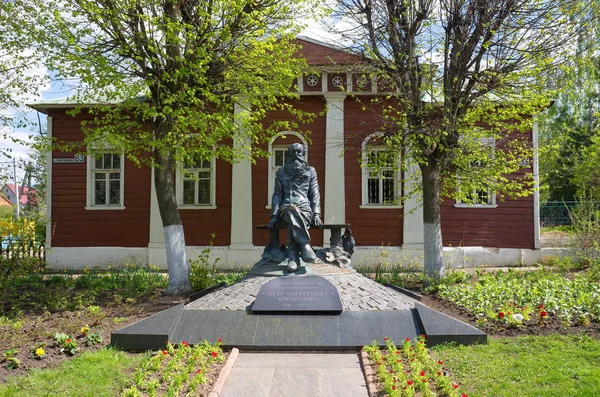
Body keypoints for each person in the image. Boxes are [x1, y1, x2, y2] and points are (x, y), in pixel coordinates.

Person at [268, 143, 322, 272]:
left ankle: (293, 256)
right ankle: (304, 244)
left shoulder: (311, 171)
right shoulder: (281, 172)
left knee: (294, 212)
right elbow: (277, 194)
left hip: (305, 209)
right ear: (288, 155)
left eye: (299, 152)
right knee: (291, 210)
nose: (296, 155)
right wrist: (274, 216)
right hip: (284, 210)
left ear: (303, 154)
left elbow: (315, 194)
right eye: (292, 153)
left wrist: (316, 214)